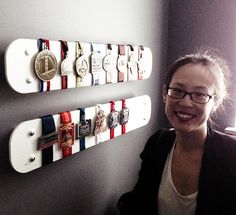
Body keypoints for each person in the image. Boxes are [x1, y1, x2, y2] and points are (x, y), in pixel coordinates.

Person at [117, 48, 236, 215]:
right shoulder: (157, 143)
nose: (186, 103)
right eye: (178, 91)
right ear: (165, 94)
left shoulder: (231, 154)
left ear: (214, 102)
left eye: (200, 94)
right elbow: (139, 202)